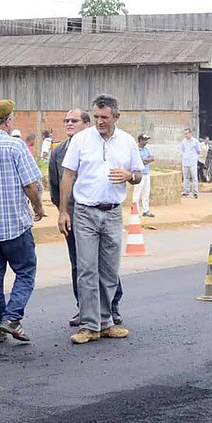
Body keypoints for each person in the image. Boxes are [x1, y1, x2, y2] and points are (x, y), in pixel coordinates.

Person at [58, 94, 143, 345]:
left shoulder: (127, 141)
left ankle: (106, 322)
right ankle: (88, 325)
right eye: (95, 116)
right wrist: (63, 211)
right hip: (85, 212)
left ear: (116, 117)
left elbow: (139, 175)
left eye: (104, 117)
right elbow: (68, 176)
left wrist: (129, 175)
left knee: (109, 270)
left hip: (113, 212)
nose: (99, 121)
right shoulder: (81, 140)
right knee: (86, 269)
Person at [0, 99, 45, 343]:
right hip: (15, 226)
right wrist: (38, 206)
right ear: (8, 120)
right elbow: (30, 185)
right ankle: (11, 318)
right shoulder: (16, 147)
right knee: (25, 272)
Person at [50, 108, 124, 328]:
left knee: (106, 263)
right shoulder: (59, 152)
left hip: (99, 211)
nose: (69, 124)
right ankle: (84, 308)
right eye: (66, 121)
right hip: (74, 216)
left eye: (74, 121)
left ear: (86, 124)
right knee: (81, 265)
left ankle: (111, 308)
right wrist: (63, 211)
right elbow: (56, 184)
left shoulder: (98, 145)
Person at [135, 133, 155, 217]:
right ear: (140, 140)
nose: (146, 141)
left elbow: (152, 158)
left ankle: (145, 210)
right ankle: (135, 211)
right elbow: (139, 161)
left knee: (146, 193)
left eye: (147, 140)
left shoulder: (147, 149)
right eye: (145, 140)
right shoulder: (136, 149)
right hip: (139, 174)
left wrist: (145, 160)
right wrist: (146, 160)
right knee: (137, 193)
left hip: (146, 173)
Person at [180, 128, 201, 198]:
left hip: (193, 162)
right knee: (186, 178)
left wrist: (195, 157)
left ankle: (195, 192)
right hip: (185, 161)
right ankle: (186, 192)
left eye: (187, 133)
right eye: (185, 134)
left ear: (190, 133)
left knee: (194, 178)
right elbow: (182, 150)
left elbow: (198, 151)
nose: (186, 135)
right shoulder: (183, 142)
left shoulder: (195, 142)